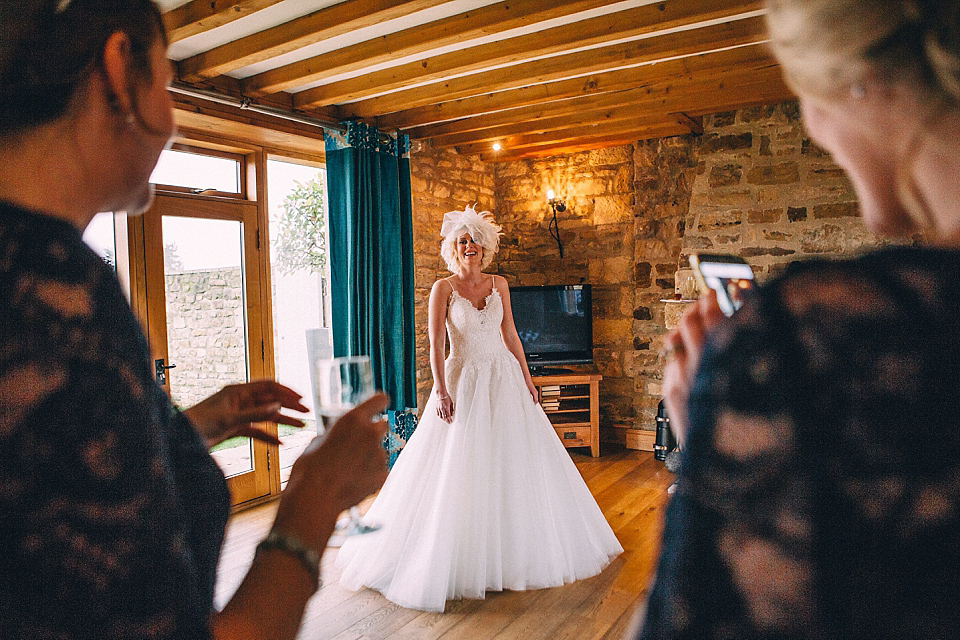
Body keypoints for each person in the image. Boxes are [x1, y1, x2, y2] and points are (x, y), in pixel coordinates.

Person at [0, 1, 389, 638]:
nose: (174, 123)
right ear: (119, 71)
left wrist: (186, 426)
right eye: (168, 83)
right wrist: (314, 498)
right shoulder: (56, 299)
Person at [637, 0, 960, 638]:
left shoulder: (815, 340)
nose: (812, 127)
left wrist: (714, 448)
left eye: (804, 96)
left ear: (862, 82)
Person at [336, 204, 623, 612]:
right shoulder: (443, 288)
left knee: (511, 461)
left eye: (475, 241)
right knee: (461, 464)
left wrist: (527, 377)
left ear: (486, 247)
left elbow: (510, 333)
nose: (470, 246)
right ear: (454, 248)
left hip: (503, 377)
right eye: (463, 241)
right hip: (463, 379)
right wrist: (440, 389)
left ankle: (510, 551)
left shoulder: (500, 284)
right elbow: (436, 344)